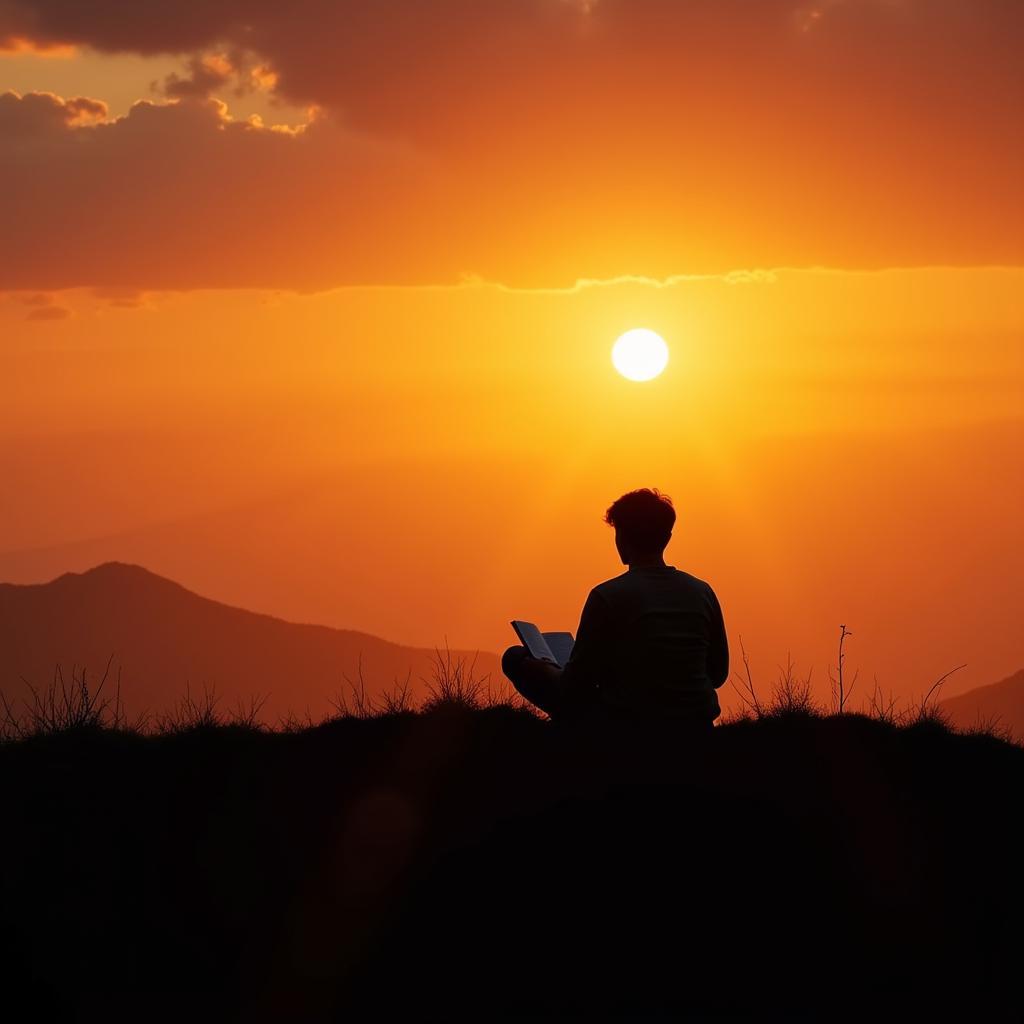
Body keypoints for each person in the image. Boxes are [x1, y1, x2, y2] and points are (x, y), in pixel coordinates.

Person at [502, 488, 728, 728]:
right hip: (696, 725)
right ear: (667, 537)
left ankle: (573, 734)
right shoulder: (703, 592)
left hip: (628, 725)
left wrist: (542, 668)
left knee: (515, 657)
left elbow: (574, 684)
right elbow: (718, 674)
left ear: (622, 537)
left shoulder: (607, 596)